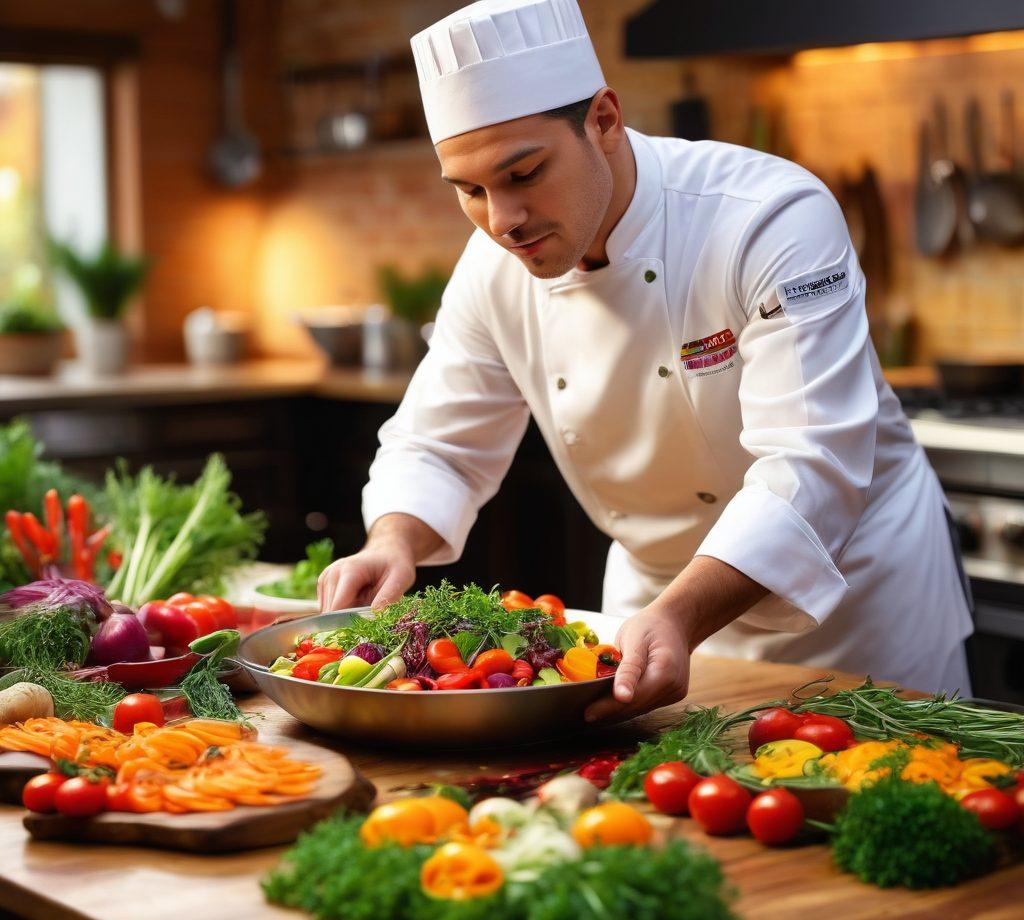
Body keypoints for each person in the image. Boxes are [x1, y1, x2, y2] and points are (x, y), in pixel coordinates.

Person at [318, 0, 973, 720]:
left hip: (851, 604)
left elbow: (811, 464)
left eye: (525, 174)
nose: (501, 221)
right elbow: (438, 442)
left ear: (604, 120)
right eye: (470, 191)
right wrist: (394, 540)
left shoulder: (768, 216)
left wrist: (682, 616)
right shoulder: (493, 264)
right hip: (651, 609)